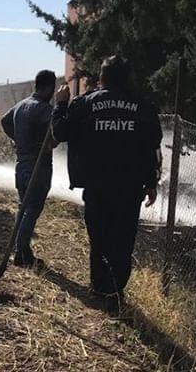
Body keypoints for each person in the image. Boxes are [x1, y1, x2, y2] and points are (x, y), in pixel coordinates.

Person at [52, 55, 162, 301]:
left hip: (97, 185)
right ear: (127, 78)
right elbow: (153, 146)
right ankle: (115, 290)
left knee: (99, 236)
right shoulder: (143, 106)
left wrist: (60, 104)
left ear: (101, 78)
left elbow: (60, 131)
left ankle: (100, 287)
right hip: (130, 188)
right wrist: (152, 182)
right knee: (123, 239)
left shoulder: (85, 103)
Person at [1, 69, 57, 266]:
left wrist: (18, 138)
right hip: (38, 167)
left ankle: (23, 250)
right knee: (32, 209)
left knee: (23, 206)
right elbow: (57, 131)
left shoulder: (20, 105)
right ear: (49, 87)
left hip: (21, 165)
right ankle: (21, 253)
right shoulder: (44, 109)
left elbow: (4, 121)